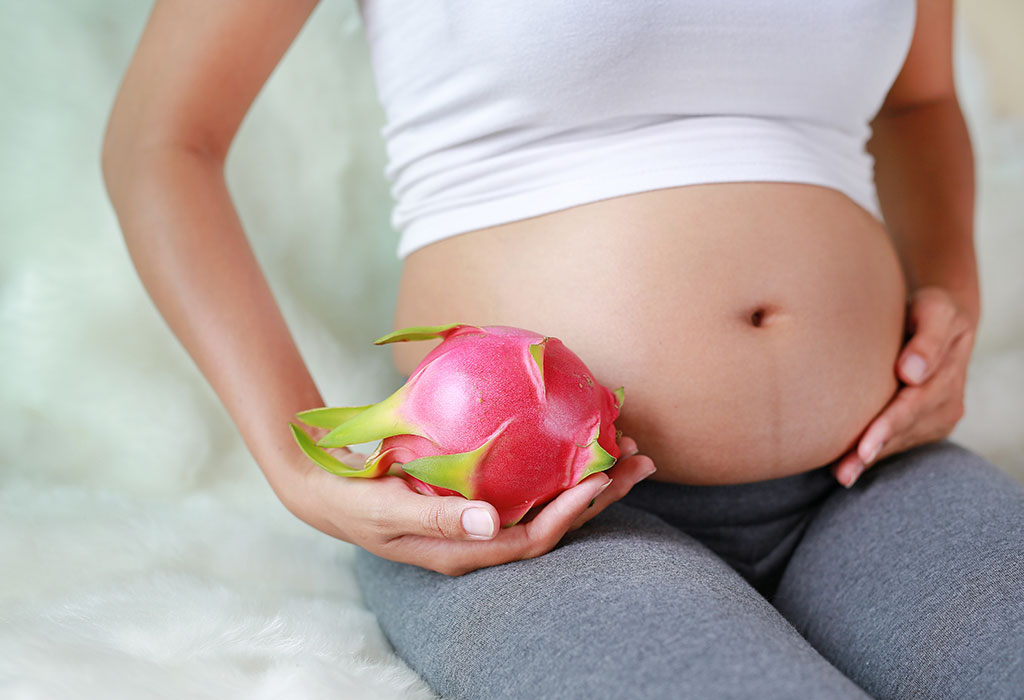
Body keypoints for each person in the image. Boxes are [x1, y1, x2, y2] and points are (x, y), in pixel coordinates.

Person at [101, 1, 1023, 698]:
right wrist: (296, 459)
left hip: (870, 472)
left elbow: (920, 101)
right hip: (529, 527)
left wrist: (953, 296)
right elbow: (162, 140)